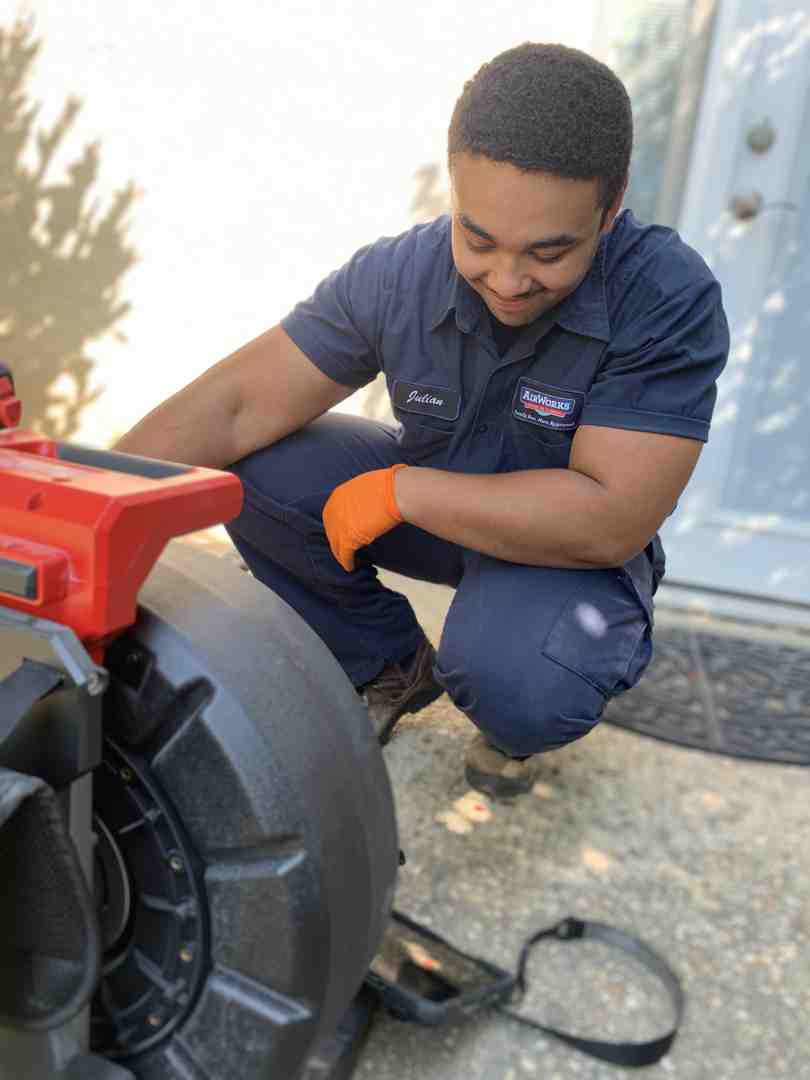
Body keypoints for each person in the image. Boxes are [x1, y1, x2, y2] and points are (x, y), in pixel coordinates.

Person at [116, 43, 729, 799]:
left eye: (549, 252)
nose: (507, 280)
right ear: (454, 188)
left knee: (520, 678)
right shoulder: (398, 274)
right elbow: (238, 404)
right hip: (444, 508)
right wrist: (95, 492)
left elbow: (609, 519)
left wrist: (404, 493)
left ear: (612, 205)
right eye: (478, 239)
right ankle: (386, 664)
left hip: (565, 550)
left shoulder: (667, 297)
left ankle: (511, 718)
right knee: (257, 469)